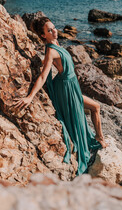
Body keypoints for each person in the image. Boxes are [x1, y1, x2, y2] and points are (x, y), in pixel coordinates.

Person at [13, 17, 108, 175]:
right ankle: (100, 140)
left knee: (94, 108)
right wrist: (30, 96)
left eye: (54, 28)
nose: (54, 31)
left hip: (71, 85)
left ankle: (99, 138)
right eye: (49, 30)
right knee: (95, 107)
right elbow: (43, 76)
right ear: (44, 36)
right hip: (66, 89)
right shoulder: (51, 51)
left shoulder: (56, 43)